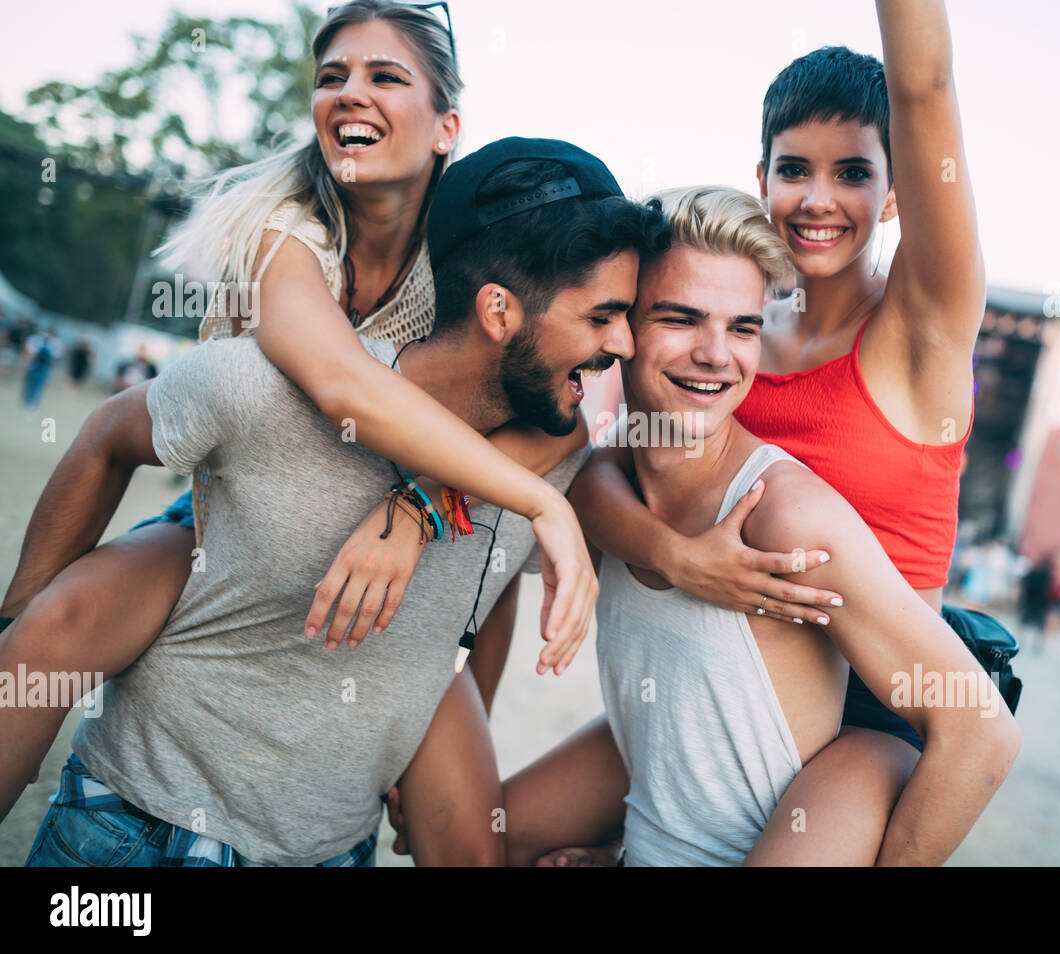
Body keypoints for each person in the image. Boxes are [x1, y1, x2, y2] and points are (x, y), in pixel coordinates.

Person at [0, 1, 597, 823]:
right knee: (45, 637)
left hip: (422, 514)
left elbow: (550, 408)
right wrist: (18, 605)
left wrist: (422, 505)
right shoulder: (287, 230)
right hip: (249, 506)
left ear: (445, 126)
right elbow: (341, 386)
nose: (351, 92)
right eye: (331, 78)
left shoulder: (465, 246)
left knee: (463, 804)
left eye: (386, 76)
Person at [18, 138, 670, 867]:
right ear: (497, 311)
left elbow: (483, 590)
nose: (625, 343)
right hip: (134, 833)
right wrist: (21, 613)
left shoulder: (557, 454)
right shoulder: (265, 389)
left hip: (334, 852)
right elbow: (106, 435)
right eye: (603, 316)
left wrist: (424, 517)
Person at [533, 0, 1000, 865]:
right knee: (491, 830)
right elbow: (605, 470)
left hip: (872, 712)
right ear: (762, 178)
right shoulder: (732, 339)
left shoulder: (922, 327)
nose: (819, 199)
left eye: (853, 172)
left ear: (895, 191)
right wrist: (673, 558)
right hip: (728, 683)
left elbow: (925, 86)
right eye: (795, 169)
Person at [20, 328, 61, 410]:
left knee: (39, 386)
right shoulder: (35, 339)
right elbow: (29, 351)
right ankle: (25, 400)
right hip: (33, 365)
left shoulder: (55, 343)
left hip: (44, 367)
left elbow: (56, 354)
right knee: (29, 383)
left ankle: (33, 403)